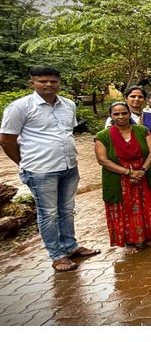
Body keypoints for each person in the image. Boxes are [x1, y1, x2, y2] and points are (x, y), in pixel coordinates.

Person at [0, 66, 97, 272]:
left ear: (59, 82)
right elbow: (7, 140)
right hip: (40, 170)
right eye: (43, 81)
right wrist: (25, 163)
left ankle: (71, 247)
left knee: (67, 210)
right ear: (32, 83)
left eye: (53, 81)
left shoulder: (68, 105)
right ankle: (57, 255)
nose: (48, 85)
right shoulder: (20, 107)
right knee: (48, 213)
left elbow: (67, 133)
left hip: (69, 166)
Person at [94, 102, 151, 255]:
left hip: (142, 176)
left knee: (146, 205)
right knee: (124, 210)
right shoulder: (103, 136)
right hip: (119, 180)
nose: (121, 117)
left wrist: (142, 170)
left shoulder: (142, 131)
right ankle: (129, 241)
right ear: (111, 116)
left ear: (129, 114)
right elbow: (103, 160)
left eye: (124, 113)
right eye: (116, 114)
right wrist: (129, 172)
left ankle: (148, 236)